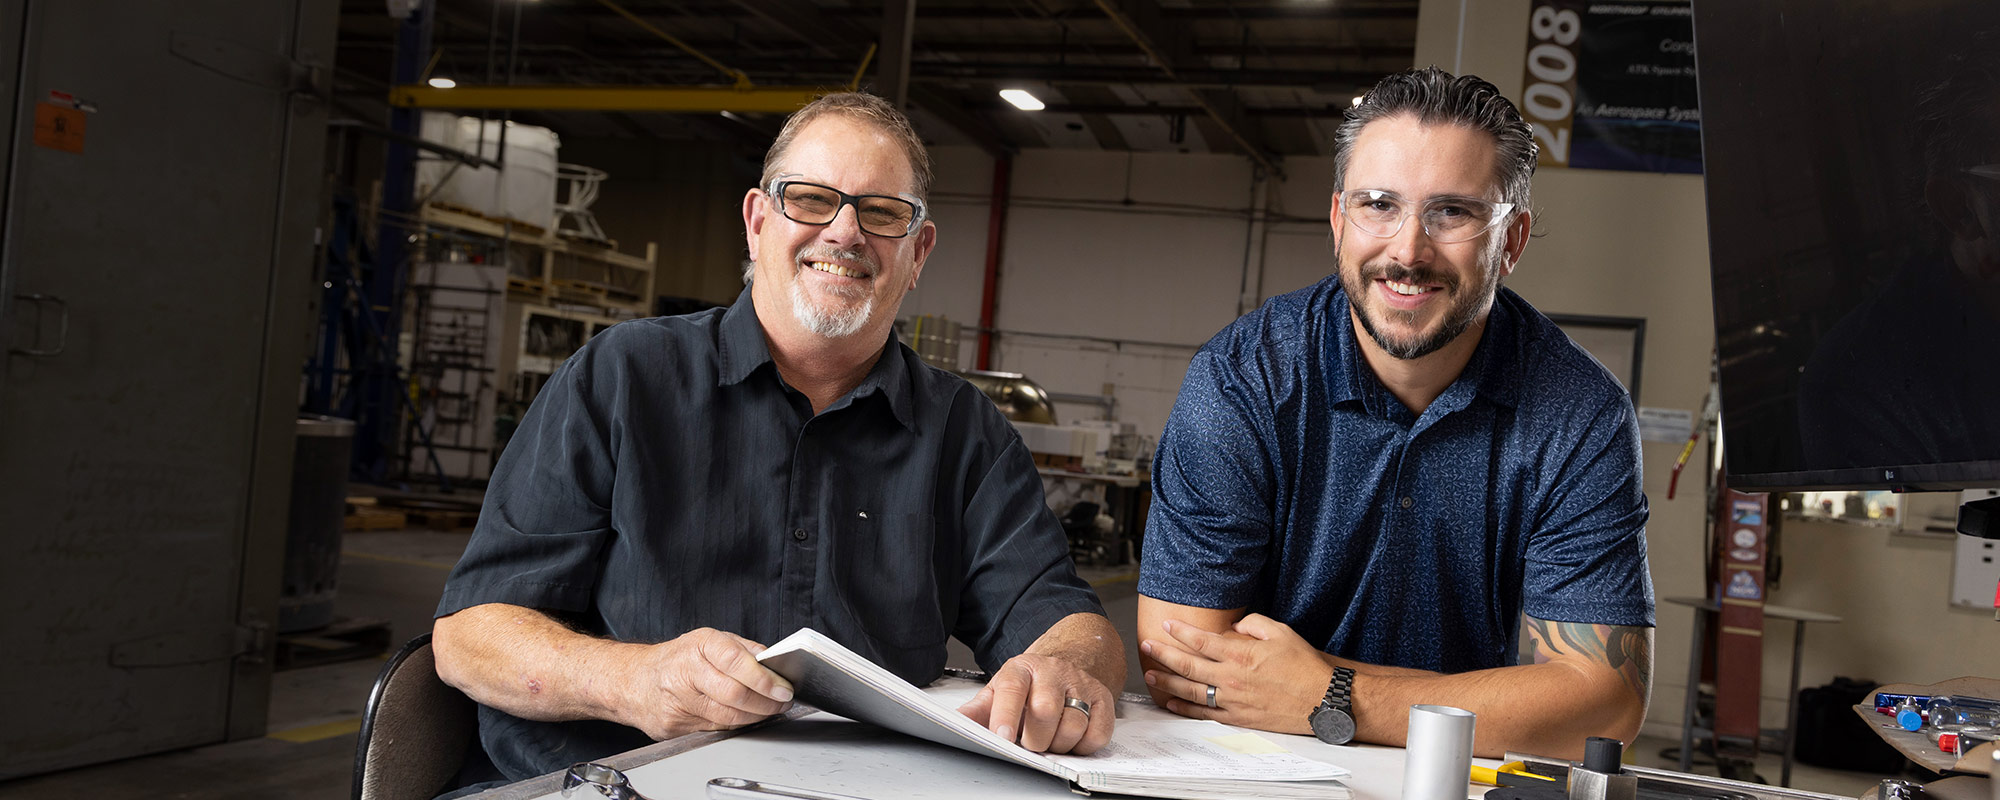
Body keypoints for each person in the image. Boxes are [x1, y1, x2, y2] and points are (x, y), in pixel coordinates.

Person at [429, 92, 1125, 789]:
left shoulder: (965, 435)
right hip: (602, 781)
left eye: (882, 213)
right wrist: (635, 680)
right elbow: (468, 638)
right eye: (812, 200)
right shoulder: (623, 379)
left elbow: (1067, 622)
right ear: (758, 220)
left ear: (918, 252)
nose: (845, 232)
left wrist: (1065, 668)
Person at [1134, 67, 1654, 759]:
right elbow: (1179, 667)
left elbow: (1605, 707)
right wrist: (1492, 700)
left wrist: (1335, 695)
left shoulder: (1580, 414)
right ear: (1338, 218)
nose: (1408, 251)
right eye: (1378, 204)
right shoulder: (1244, 379)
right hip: (1249, 773)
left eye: (1453, 213)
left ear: (1514, 241)